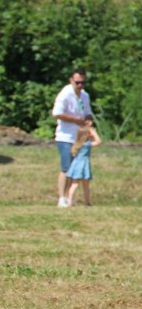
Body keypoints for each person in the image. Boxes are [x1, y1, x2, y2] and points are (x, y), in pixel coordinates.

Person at [52, 69, 92, 207]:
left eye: (83, 82)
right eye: (78, 82)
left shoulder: (85, 96)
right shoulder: (65, 94)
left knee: (75, 169)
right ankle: (61, 197)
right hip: (65, 136)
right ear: (71, 81)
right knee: (66, 168)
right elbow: (56, 113)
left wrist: (88, 120)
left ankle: (69, 198)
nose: (80, 85)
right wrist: (74, 119)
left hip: (80, 137)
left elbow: (88, 113)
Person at [66, 119, 101, 207]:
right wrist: (94, 133)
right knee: (85, 185)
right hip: (83, 165)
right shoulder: (87, 144)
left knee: (75, 183)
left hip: (76, 164)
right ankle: (87, 202)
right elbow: (98, 141)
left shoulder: (77, 144)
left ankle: (69, 201)